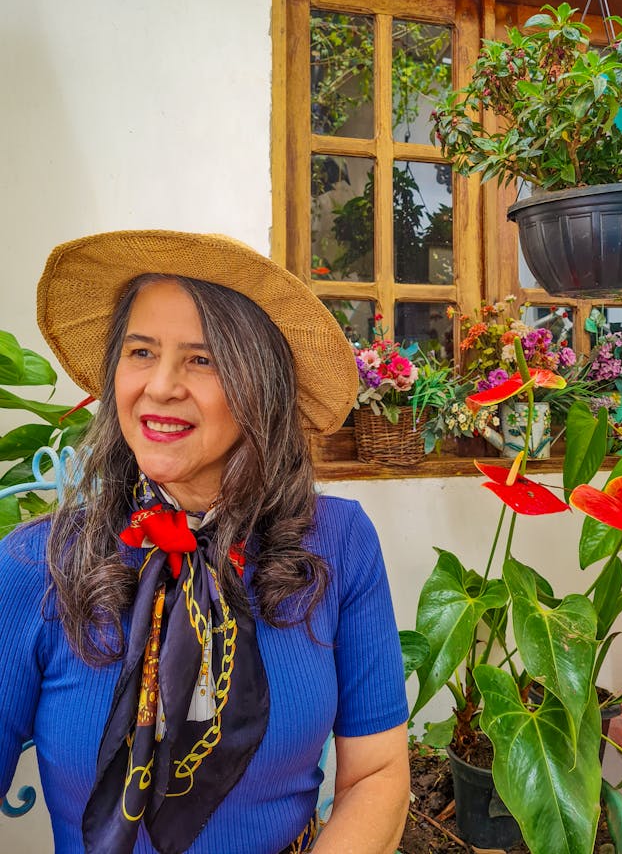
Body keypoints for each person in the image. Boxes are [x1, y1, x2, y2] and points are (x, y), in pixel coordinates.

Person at [0, 230, 410, 854]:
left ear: (260, 386)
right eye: (140, 351)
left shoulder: (338, 542)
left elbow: (377, 776)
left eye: (203, 358)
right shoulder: (35, 566)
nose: (161, 386)